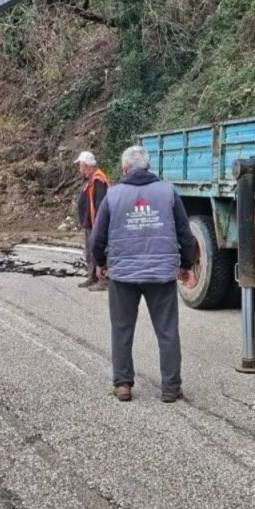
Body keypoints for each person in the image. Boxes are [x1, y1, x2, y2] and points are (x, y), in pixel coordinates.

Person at [91, 145, 197, 403]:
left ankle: (123, 385)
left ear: (125, 168)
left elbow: (97, 237)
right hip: (161, 275)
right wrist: (185, 264)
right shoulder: (168, 192)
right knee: (167, 331)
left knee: (122, 329)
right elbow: (185, 233)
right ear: (148, 167)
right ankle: (171, 387)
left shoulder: (113, 195)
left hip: (123, 275)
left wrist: (101, 262)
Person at [75, 150, 110, 291]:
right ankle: (93, 276)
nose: (79, 168)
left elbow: (100, 204)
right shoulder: (91, 179)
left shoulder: (98, 180)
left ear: (86, 165)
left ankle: (103, 280)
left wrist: (99, 225)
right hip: (89, 223)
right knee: (90, 251)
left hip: (95, 224)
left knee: (98, 250)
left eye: (80, 165)